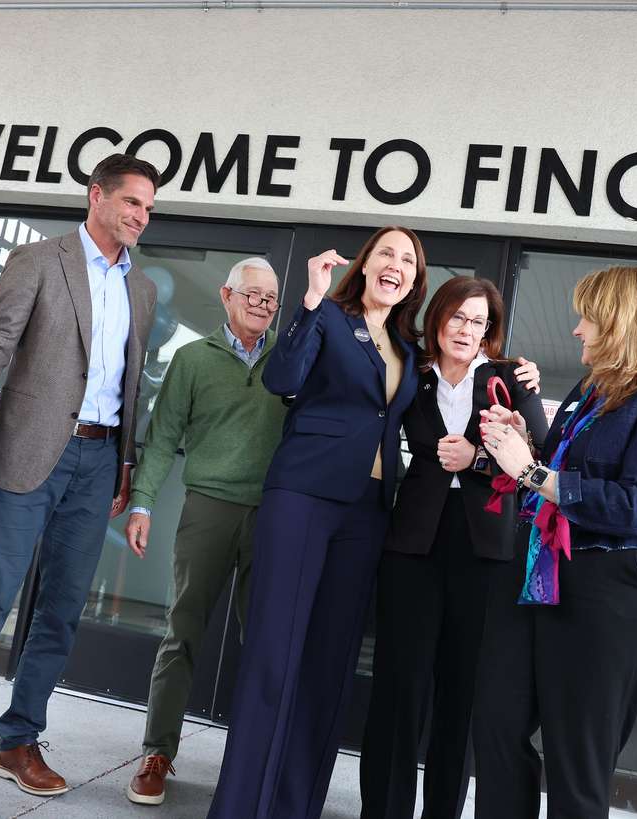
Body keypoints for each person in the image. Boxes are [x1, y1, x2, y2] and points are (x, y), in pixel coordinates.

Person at [0, 154, 160, 819]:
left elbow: (129, 387)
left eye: (149, 209)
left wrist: (128, 468)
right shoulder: (40, 260)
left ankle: (19, 741)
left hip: (99, 463)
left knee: (62, 609)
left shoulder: (142, 289)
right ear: (97, 195)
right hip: (28, 455)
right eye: (132, 202)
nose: (140, 216)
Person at [204, 226, 426, 819]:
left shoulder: (411, 349)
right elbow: (283, 379)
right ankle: (239, 807)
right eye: (387, 253)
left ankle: (291, 807)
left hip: (367, 513)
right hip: (303, 495)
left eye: (408, 260)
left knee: (329, 664)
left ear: (414, 278)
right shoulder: (327, 315)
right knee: (275, 653)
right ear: (365, 264)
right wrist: (309, 300)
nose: (396, 265)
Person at [474, 264, 637, 817]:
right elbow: (549, 478)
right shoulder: (589, 390)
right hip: (549, 571)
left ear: (621, 322)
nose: (577, 329)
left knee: (576, 754)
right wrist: (522, 445)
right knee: (496, 719)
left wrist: (531, 472)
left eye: (588, 318)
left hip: (621, 582)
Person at [359, 275, 548, 819]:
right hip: (413, 546)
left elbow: (541, 455)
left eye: (479, 322)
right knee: (399, 686)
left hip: (485, 551)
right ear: (438, 319)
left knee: (461, 696)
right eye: (458, 317)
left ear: (490, 331)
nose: (467, 330)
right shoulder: (410, 372)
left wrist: (480, 460)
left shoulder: (511, 378)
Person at [124, 257, 286, 806]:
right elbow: (164, 435)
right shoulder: (192, 360)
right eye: (253, 295)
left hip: (271, 518)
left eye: (271, 298)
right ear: (227, 295)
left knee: (264, 643)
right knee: (182, 633)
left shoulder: (290, 361)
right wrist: (142, 503)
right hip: (208, 509)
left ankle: (252, 759)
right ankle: (157, 753)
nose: (262, 306)